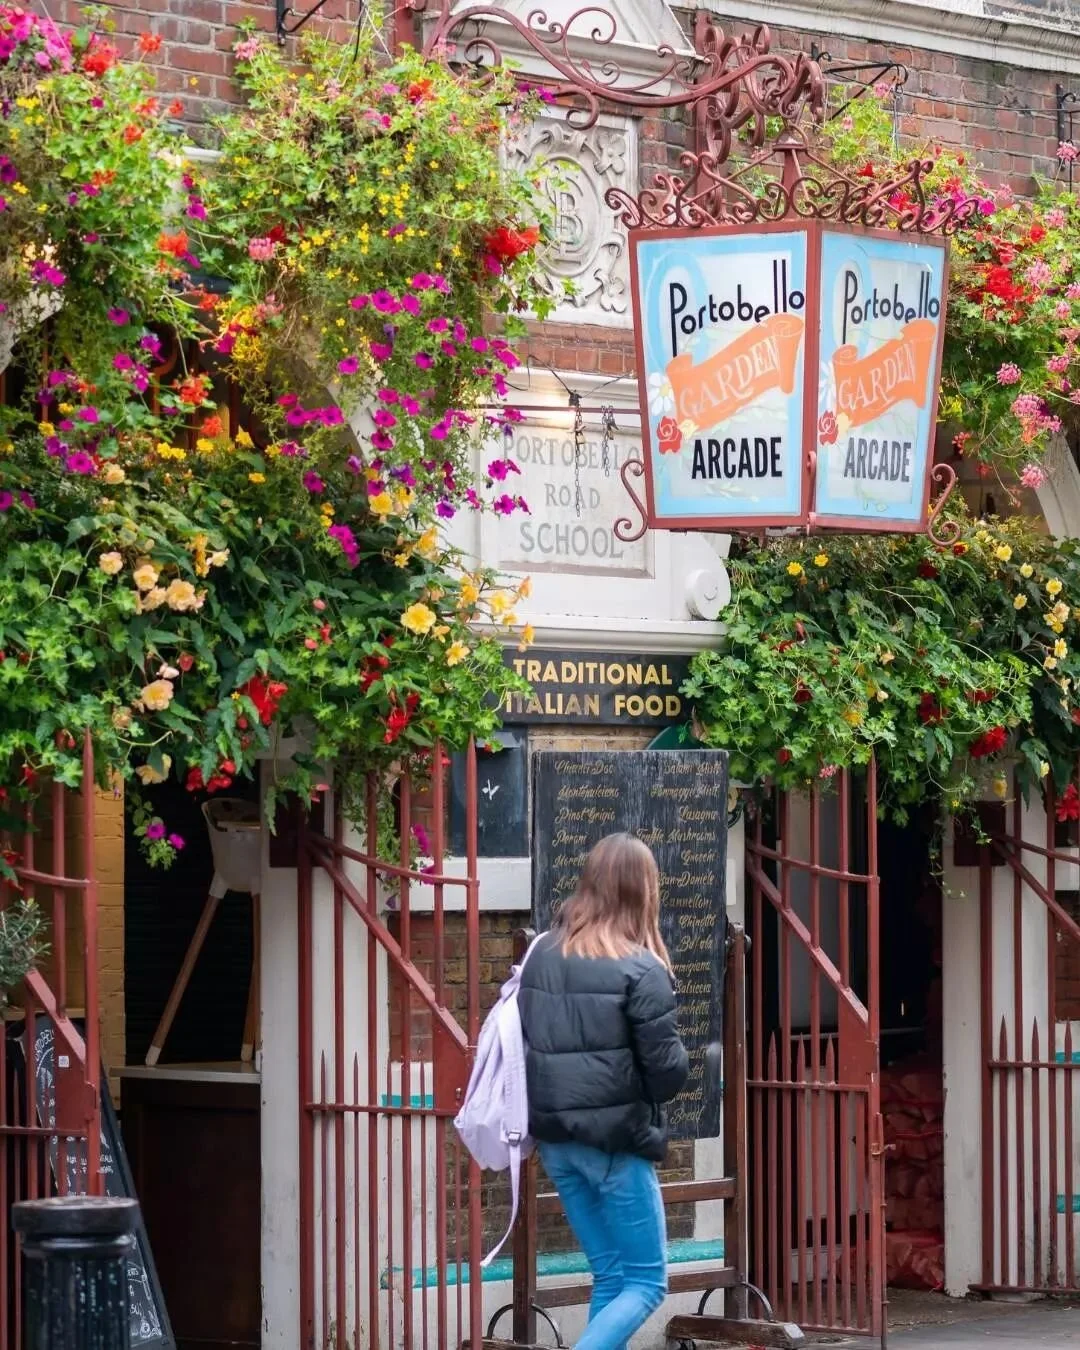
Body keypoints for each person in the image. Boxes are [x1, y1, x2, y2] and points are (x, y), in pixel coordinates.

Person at [519, 832, 689, 1350]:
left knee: (611, 1275)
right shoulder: (642, 969)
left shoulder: (541, 953)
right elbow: (666, 1075)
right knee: (646, 1282)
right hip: (614, 1143)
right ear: (643, 891)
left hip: (554, 1140)